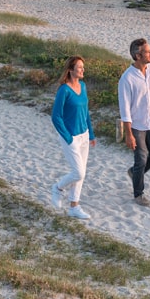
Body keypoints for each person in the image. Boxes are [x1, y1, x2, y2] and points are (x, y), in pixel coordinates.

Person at [117, 38, 150, 207]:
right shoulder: (127, 79)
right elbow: (125, 110)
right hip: (137, 126)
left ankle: (134, 173)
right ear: (138, 56)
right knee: (141, 159)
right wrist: (129, 135)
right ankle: (139, 194)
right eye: (147, 51)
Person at [50, 56, 96, 220]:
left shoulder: (82, 86)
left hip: (84, 135)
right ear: (71, 70)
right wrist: (68, 137)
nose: (83, 70)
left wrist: (91, 133)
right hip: (71, 137)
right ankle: (57, 188)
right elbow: (56, 116)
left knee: (81, 174)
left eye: (83, 67)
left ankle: (74, 206)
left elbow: (85, 112)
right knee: (79, 172)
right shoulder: (64, 90)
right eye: (79, 67)